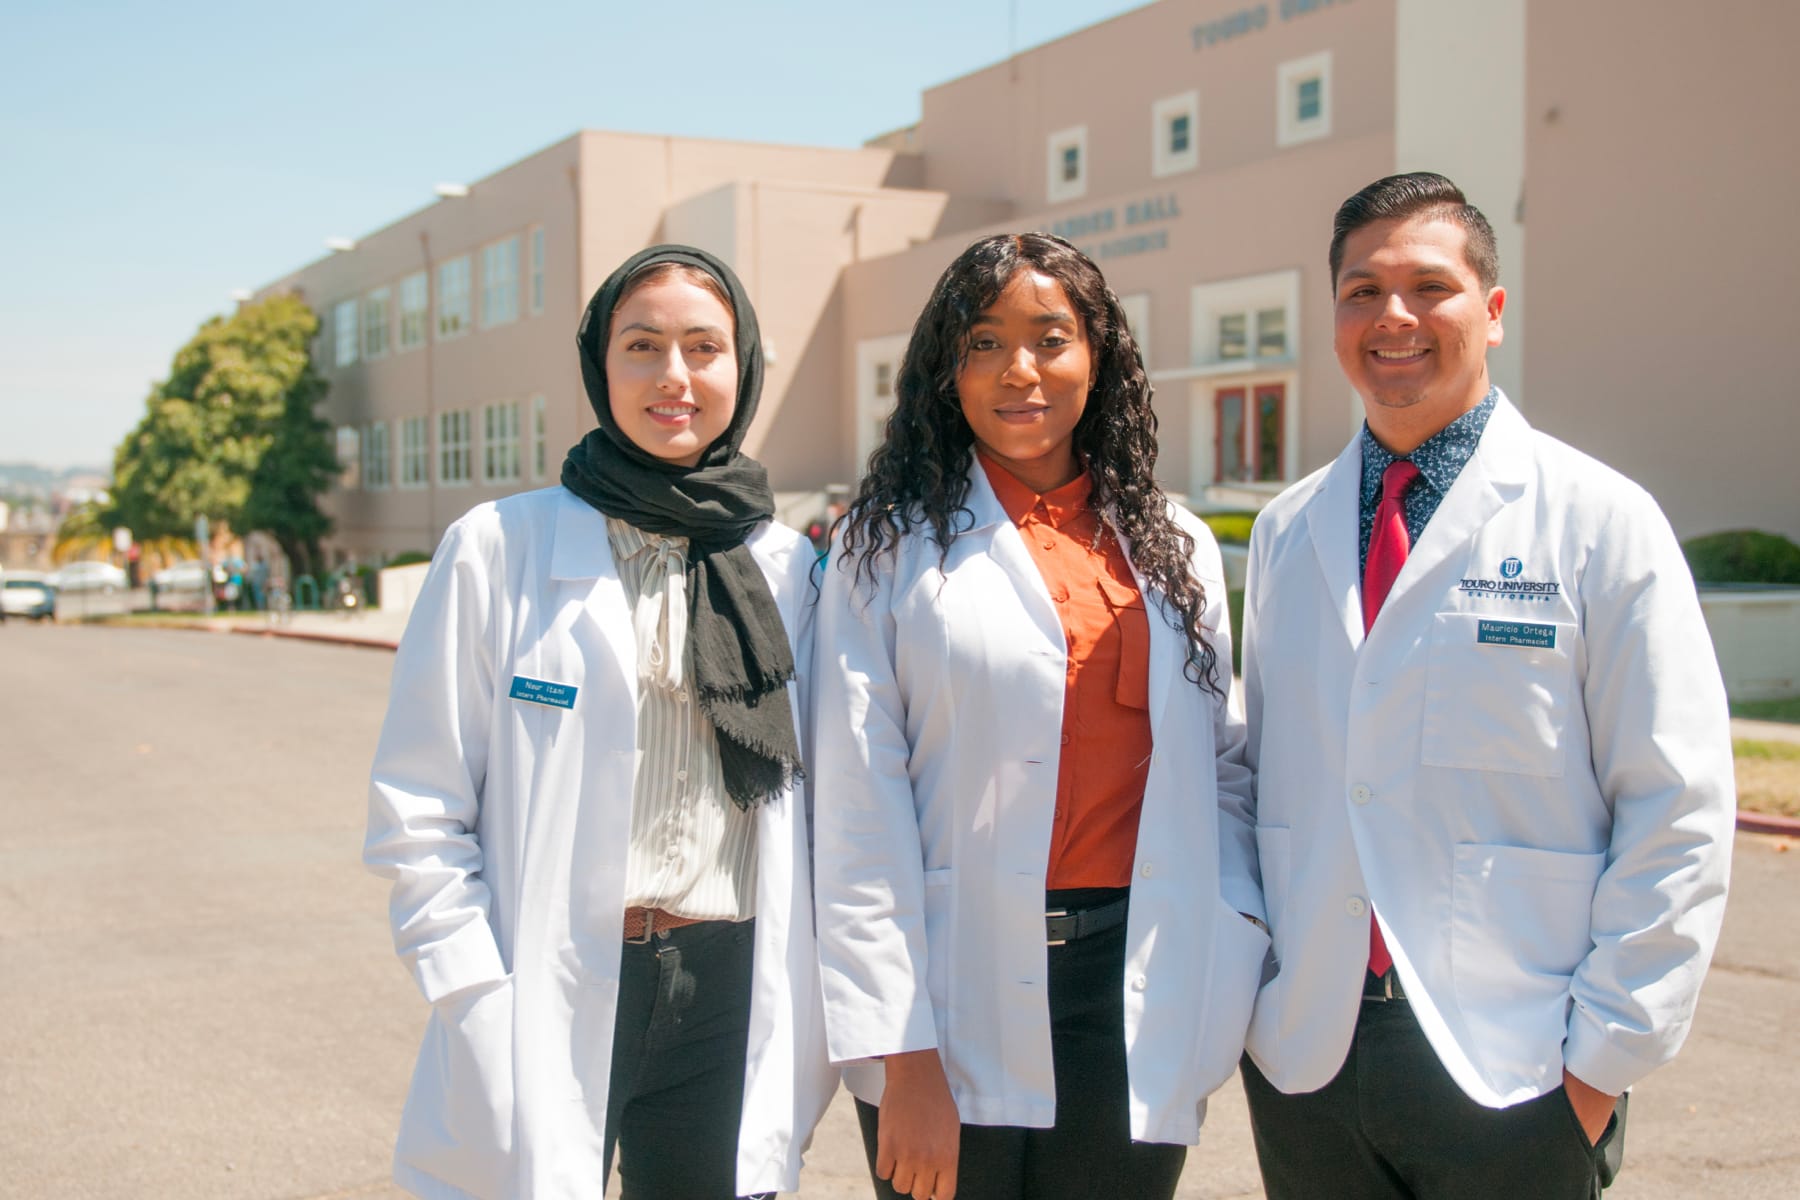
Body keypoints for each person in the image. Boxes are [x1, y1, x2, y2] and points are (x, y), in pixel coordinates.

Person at [1237, 172, 1735, 1199]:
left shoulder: (1601, 520)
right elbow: (1256, 777)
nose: (1394, 317)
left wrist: (1599, 1066)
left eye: (1431, 285)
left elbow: (1678, 804)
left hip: (1515, 1062)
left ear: (1494, 312)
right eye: (1362, 290)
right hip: (1311, 1057)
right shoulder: (1289, 533)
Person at [365, 245, 836, 1200]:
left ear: (742, 369)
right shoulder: (499, 547)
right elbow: (419, 805)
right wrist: (472, 992)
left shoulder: (793, 568)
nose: (675, 375)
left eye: (705, 347)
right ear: (599, 366)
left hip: (729, 984)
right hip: (549, 980)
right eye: (642, 345)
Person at [812, 232, 1267, 1200]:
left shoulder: (1174, 545)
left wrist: (1230, 935)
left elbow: (1223, 768)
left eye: (1050, 338)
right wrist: (905, 1055)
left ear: (1097, 356)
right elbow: (857, 809)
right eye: (982, 342)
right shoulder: (882, 549)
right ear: (946, 370)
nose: (1020, 370)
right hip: (951, 983)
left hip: (1133, 986)